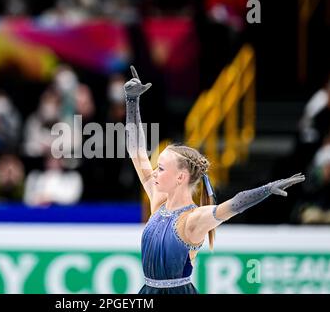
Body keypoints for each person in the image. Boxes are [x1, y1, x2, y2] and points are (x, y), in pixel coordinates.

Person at [124, 66, 306, 294]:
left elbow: (235, 205)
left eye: (160, 168)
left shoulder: (193, 219)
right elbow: (136, 152)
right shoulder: (158, 200)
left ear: (180, 177)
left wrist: (267, 189)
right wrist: (132, 102)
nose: (154, 173)